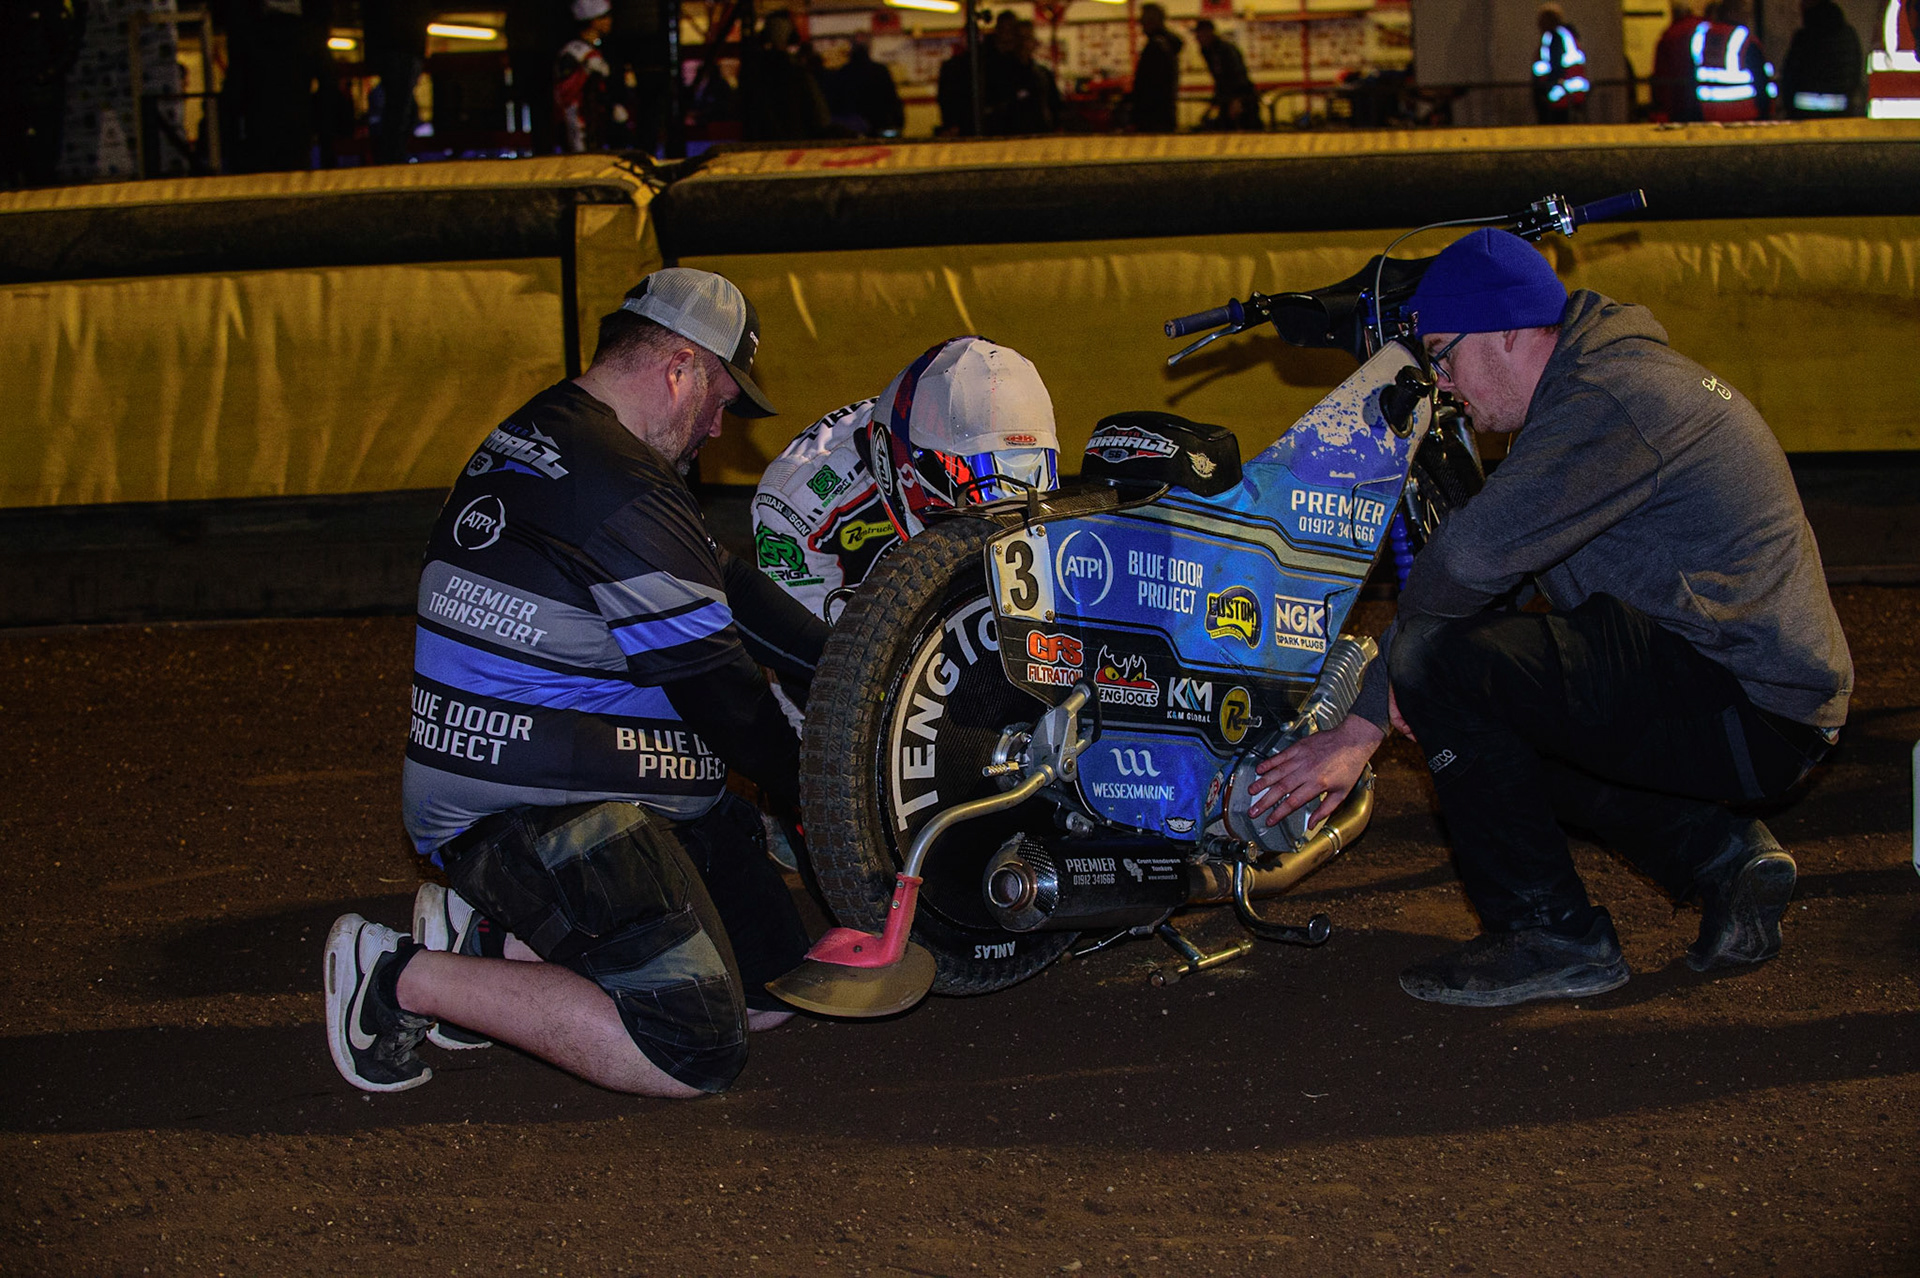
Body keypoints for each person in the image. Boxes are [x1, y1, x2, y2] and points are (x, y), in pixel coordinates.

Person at [1249, 229, 1851, 1008]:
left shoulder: (1605, 401)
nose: (1440, 382)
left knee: (1448, 666)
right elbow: (1493, 587)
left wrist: (1365, 723)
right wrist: (1377, 708)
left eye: (1441, 354)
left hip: (1750, 705)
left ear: (1505, 331)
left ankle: (1550, 934)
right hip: (1757, 698)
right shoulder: (1600, 386)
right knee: (1498, 694)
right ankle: (1720, 858)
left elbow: (1464, 566)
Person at [324, 267, 830, 1097]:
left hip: (593, 766)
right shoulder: (617, 489)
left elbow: (720, 579)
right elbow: (725, 699)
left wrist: (841, 654)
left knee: (771, 990)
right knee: (691, 1047)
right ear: (680, 370)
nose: (718, 426)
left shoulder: (563, 434)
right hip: (527, 797)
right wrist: (820, 787)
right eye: (721, 400)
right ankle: (395, 976)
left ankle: (496, 944)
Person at [751, 337, 1059, 625]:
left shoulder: (948, 442)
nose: (1001, 499)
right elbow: (817, 662)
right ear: (907, 464)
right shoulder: (795, 503)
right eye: (976, 470)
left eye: (1025, 466)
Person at [1691, 0, 1778, 121]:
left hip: (1708, 114)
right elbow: (1761, 81)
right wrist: (1767, 113)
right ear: (1734, 12)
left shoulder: (1702, 35)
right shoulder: (1743, 38)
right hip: (1744, 115)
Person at [1781, 0, 1864, 116]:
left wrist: (1788, 107)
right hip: (1840, 111)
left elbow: (1789, 76)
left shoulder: (1804, 37)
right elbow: (1855, 70)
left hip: (1804, 113)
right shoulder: (1849, 35)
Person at [554, 0, 615, 153]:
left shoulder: (595, 51)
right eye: (604, 17)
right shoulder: (574, 52)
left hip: (595, 124)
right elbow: (564, 93)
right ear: (593, 20)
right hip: (577, 125)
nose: (609, 21)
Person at [827, 34, 905, 136]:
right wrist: (898, 123)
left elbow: (835, 105)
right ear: (869, 48)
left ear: (851, 49)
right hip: (880, 126)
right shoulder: (880, 71)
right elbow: (892, 100)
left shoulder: (842, 73)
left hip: (852, 131)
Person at [1193, 19, 1261, 130]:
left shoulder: (1224, 50)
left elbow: (1237, 75)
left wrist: (1237, 99)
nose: (1198, 39)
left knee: (1246, 128)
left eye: (1200, 34)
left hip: (1240, 97)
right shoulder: (1209, 51)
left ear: (1209, 32)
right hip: (1229, 97)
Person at [1531, 4, 1591, 123]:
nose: (1539, 24)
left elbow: (1555, 66)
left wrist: (1545, 91)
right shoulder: (1566, 36)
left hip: (1559, 96)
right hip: (1568, 96)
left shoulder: (1555, 37)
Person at [1129, 3, 1183, 133]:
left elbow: (1148, 85)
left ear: (1152, 21)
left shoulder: (1156, 47)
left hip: (1152, 117)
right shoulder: (1167, 45)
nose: (1142, 25)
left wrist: (1136, 114)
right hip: (1164, 114)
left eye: (1144, 21)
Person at [1650, 4, 1708, 122]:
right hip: (1706, 102)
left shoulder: (1669, 36)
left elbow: (1662, 76)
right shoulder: (1707, 29)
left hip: (1678, 104)